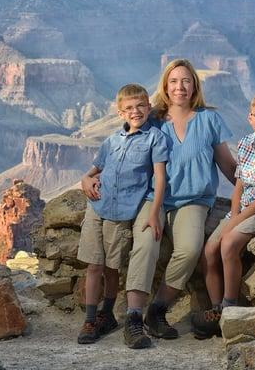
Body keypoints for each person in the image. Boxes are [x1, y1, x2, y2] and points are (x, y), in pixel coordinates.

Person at [141, 58, 237, 339]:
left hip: (195, 200)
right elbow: (127, 154)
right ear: (165, 86)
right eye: (173, 81)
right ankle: (131, 312)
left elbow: (228, 165)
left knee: (190, 249)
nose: (179, 87)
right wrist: (93, 175)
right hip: (156, 198)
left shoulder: (209, 119)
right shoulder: (154, 121)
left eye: (185, 81)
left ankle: (157, 310)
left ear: (194, 85)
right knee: (145, 242)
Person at [191, 90, 255, 339]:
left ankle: (230, 307)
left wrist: (236, 222)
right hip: (244, 208)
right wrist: (234, 212)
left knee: (228, 244)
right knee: (209, 250)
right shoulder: (247, 143)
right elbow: (239, 183)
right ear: (250, 117)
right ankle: (217, 311)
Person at [77, 84, 168, 349]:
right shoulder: (111, 141)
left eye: (140, 106)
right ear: (120, 113)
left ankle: (107, 313)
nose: (135, 111)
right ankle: (90, 319)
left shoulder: (155, 139)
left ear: (148, 108)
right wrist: (85, 177)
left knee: (111, 266)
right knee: (93, 265)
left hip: (123, 212)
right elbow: (96, 169)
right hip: (97, 206)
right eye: (128, 108)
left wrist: (153, 213)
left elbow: (159, 178)